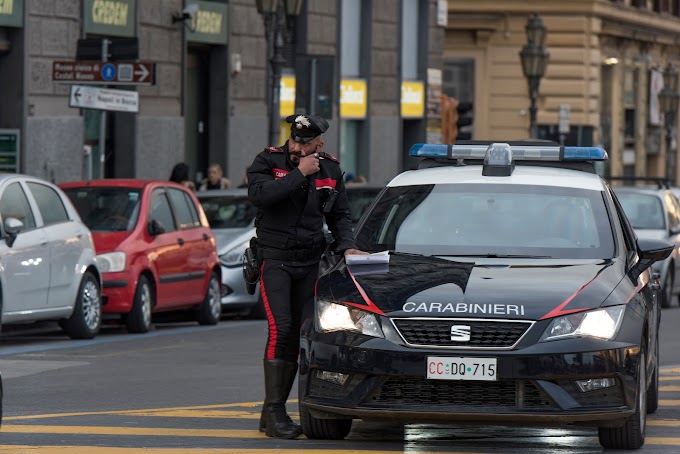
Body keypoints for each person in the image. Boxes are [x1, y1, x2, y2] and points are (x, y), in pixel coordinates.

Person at [247, 113, 367, 439]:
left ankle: (270, 412)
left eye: (309, 143)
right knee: (281, 330)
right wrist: (298, 174)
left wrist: (348, 246)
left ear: (319, 144)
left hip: (309, 263)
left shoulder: (330, 168)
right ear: (293, 140)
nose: (305, 147)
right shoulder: (267, 161)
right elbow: (261, 196)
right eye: (300, 142)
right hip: (275, 261)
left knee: (302, 335)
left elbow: (340, 215)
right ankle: (274, 412)